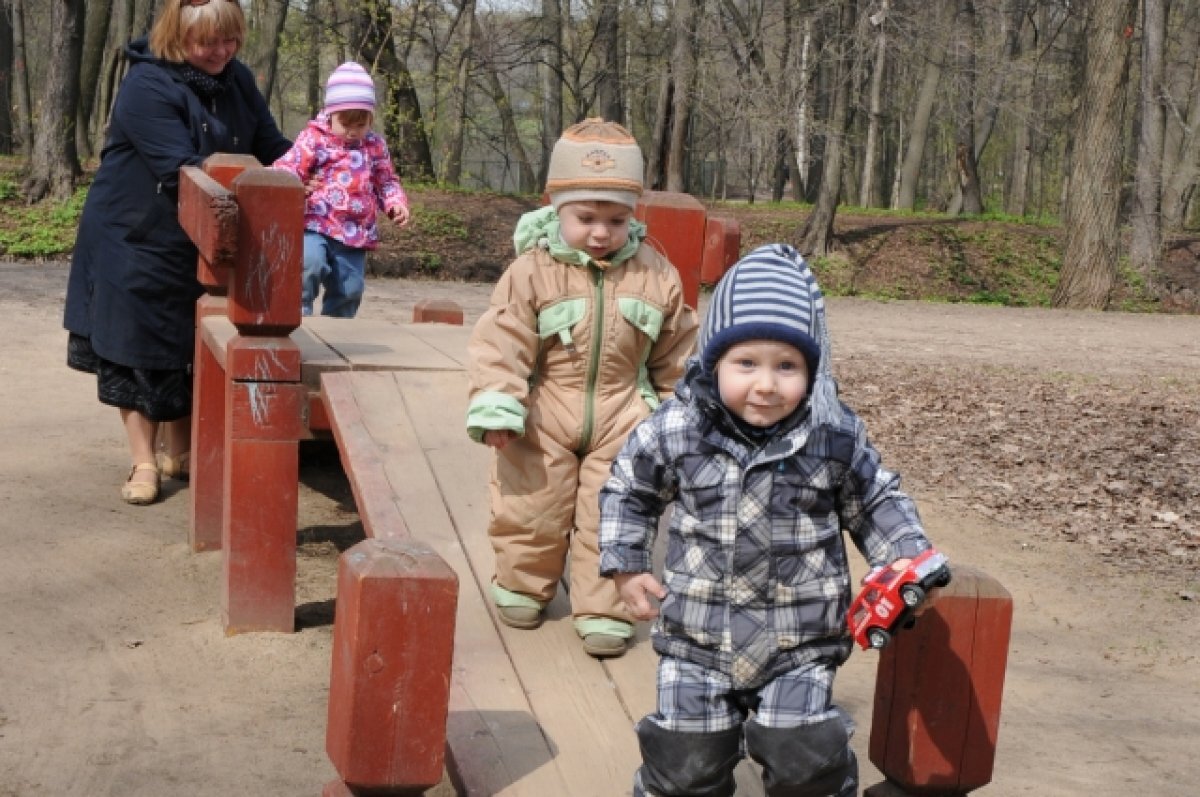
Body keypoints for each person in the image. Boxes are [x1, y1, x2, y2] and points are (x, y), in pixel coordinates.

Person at [599, 243, 939, 796]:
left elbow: (875, 498)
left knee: (804, 754)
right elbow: (628, 491)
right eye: (746, 364)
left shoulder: (831, 434)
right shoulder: (678, 428)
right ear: (714, 361)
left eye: (787, 366)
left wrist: (903, 555)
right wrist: (626, 565)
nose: (765, 384)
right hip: (697, 636)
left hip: (798, 640)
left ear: (813, 368)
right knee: (686, 760)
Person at [465, 118, 699, 659]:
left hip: (623, 414)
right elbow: (502, 340)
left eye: (616, 219)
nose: (600, 232)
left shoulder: (655, 274)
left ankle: (605, 607)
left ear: (633, 215)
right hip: (544, 411)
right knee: (531, 506)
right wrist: (499, 405)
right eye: (585, 217)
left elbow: (677, 355)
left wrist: (678, 422)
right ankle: (523, 584)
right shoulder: (531, 272)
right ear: (555, 207)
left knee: (612, 513)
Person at [63, 0, 291, 506]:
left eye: (230, 39)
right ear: (177, 36)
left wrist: (312, 168)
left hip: (200, 237)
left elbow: (272, 144)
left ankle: (181, 450)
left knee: (188, 345)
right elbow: (185, 166)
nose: (221, 51)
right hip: (135, 236)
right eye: (208, 41)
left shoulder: (238, 81)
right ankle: (144, 460)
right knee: (135, 350)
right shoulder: (146, 87)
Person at [271, 61, 411, 318]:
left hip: (355, 231)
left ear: (371, 118)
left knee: (350, 289)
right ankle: (297, 314)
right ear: (330, 114)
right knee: (308, 265)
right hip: (316, 223)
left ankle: (337, 329)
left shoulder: (375, 146)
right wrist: (284, 186)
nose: (352, 132)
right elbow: (290, 166)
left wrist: (395, 203)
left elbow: (387, 180)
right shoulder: (314, 138)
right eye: (345, 123)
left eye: (360, 124)